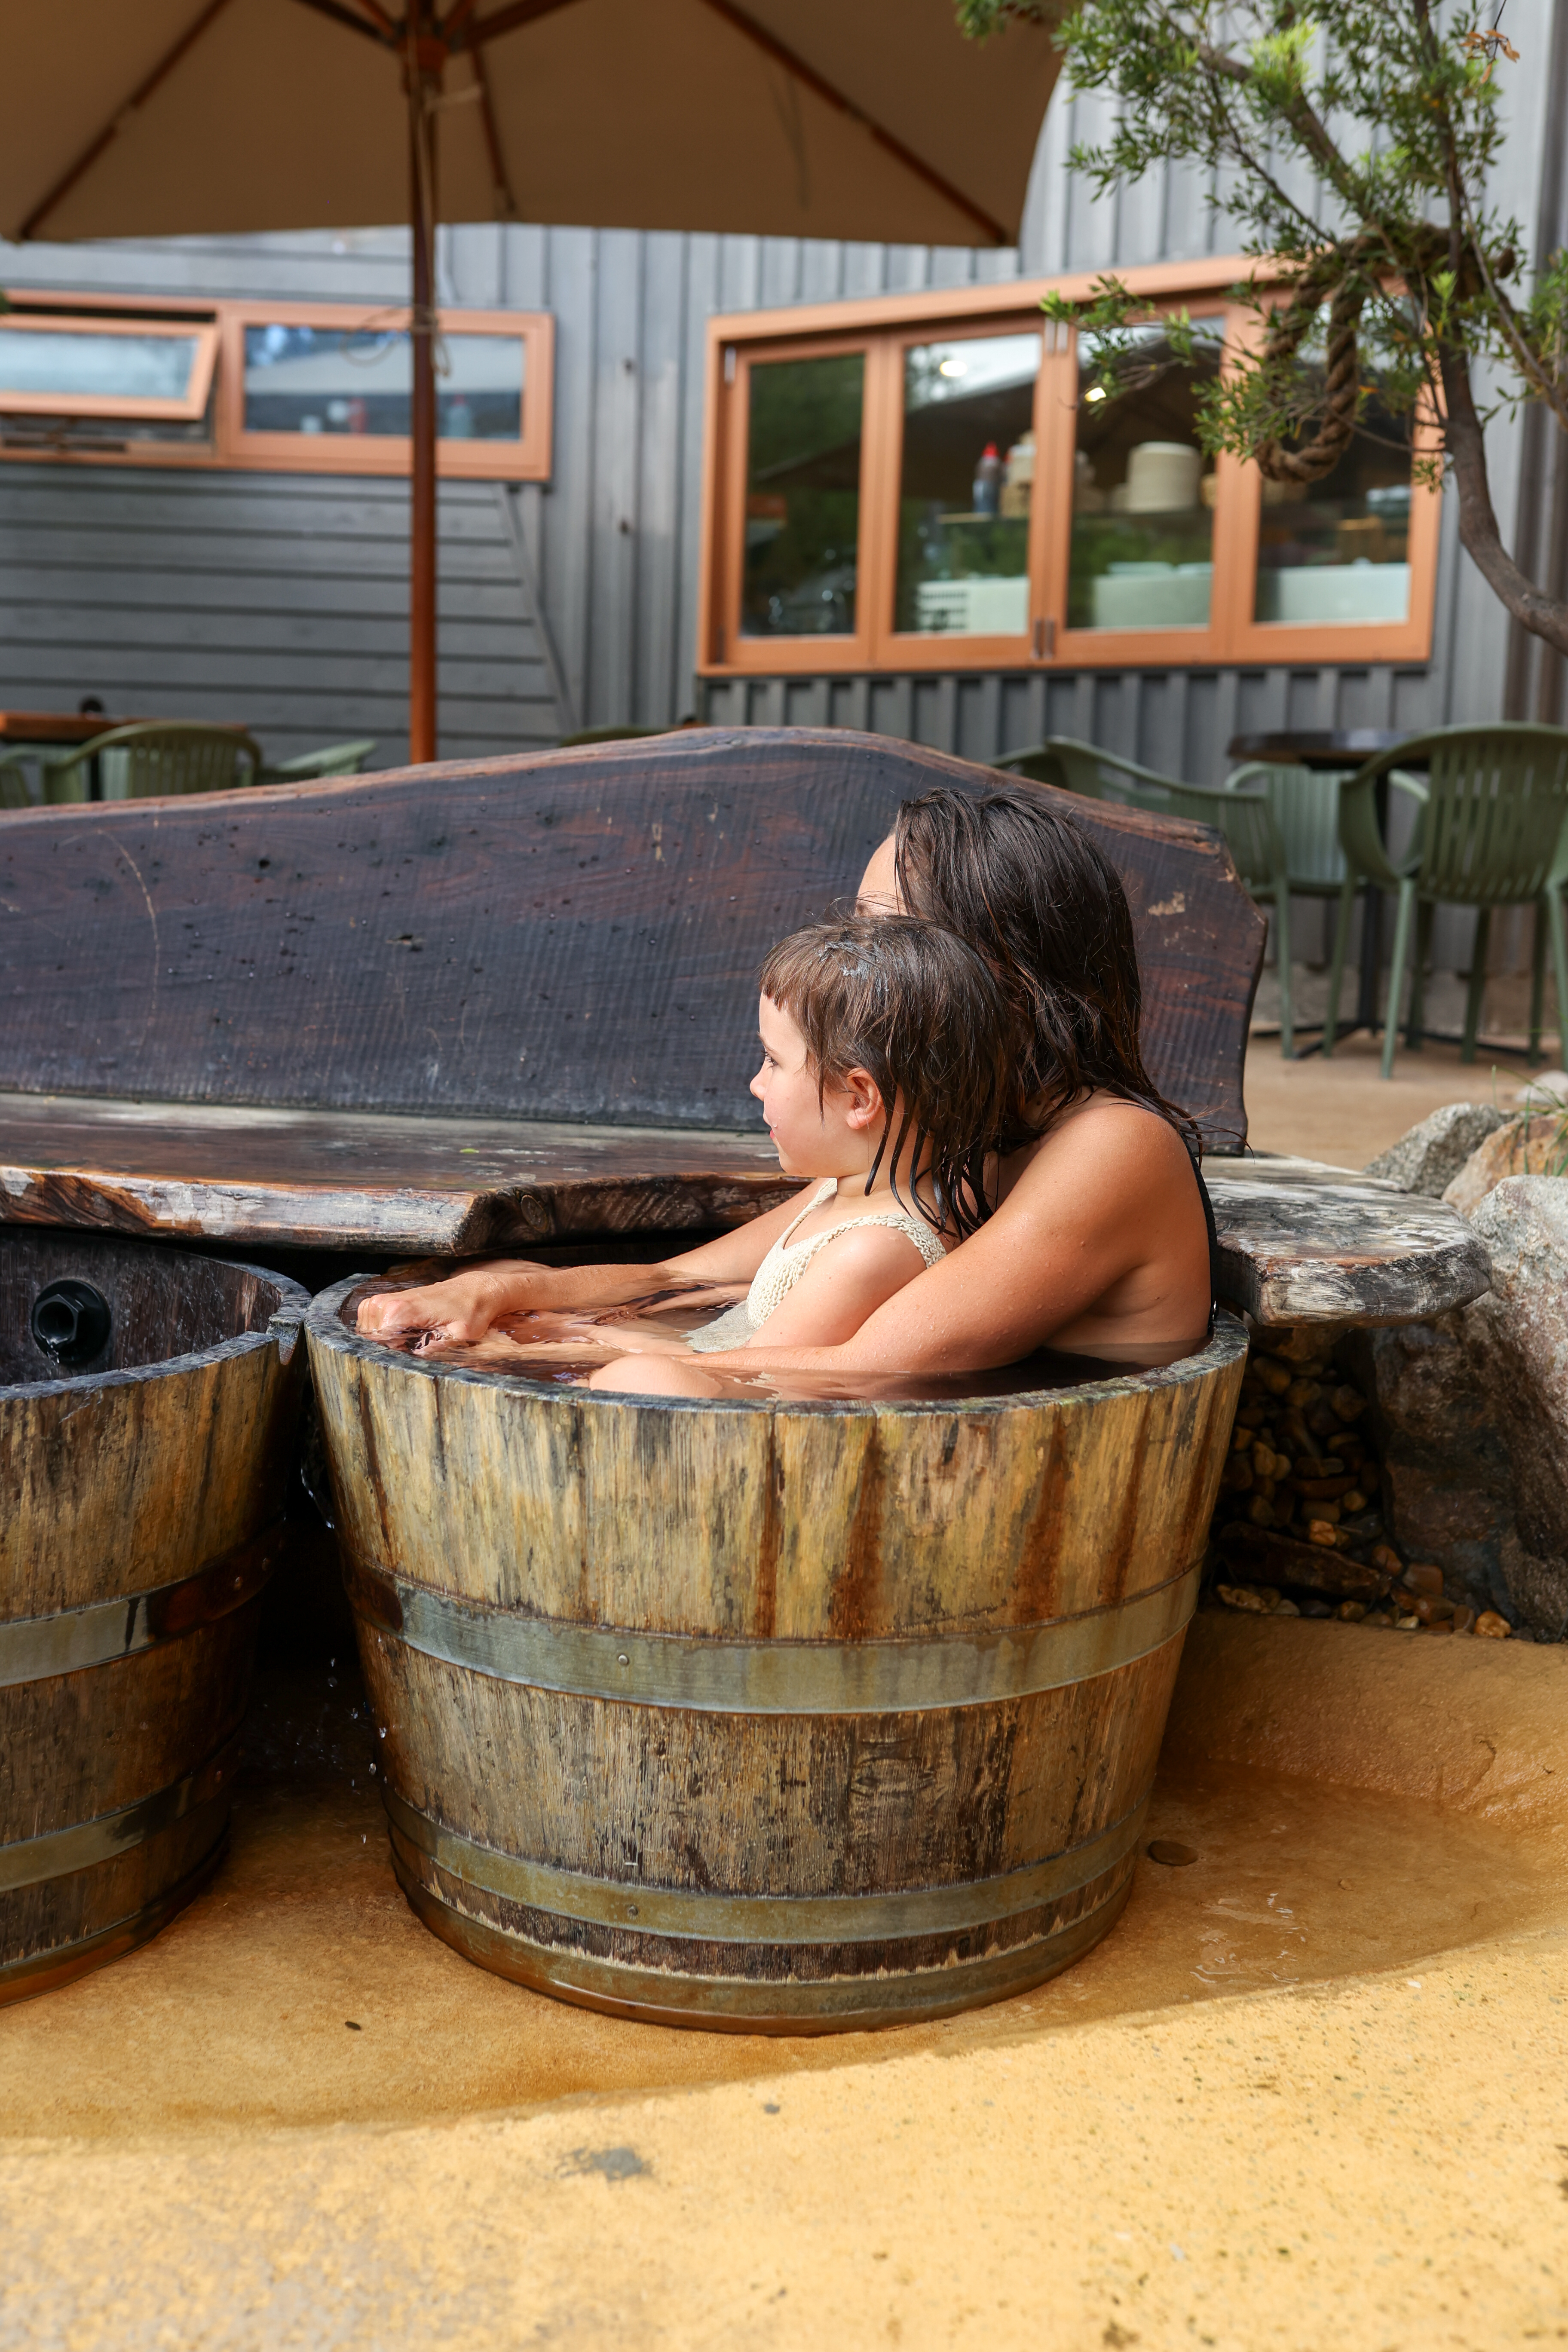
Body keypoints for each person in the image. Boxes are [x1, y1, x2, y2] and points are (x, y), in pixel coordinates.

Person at [356, 782, 1216, 1374]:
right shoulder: (946, 1125)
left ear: (997, 970)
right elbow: (682, 1281)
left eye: (886, 936)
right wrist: (492, 1289)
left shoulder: (1111, 1146)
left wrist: (541, 1354)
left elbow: (866, 1370)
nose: (853, 964)